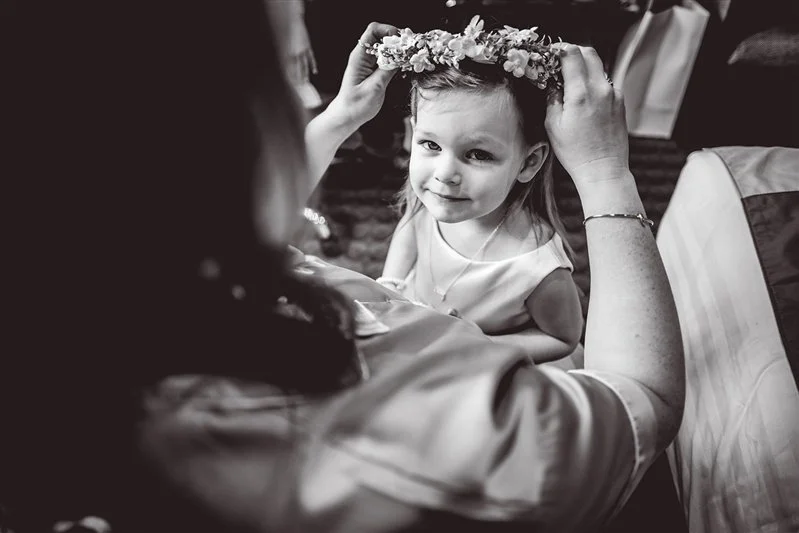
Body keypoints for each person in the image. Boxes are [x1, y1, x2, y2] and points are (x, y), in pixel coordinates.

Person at [1, 2, 684, 532]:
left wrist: (336, 118)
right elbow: (644, 402)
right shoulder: (422, 432)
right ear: (212, 122)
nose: (304, 103)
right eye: (291, 70)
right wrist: (605, 175)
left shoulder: (104, 282)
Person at [375, 17, 584, 364]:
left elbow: (562, 338)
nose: (445, 175)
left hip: (482, 360)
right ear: (412, 134)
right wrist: (391, 287)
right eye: (430, 144)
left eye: (477, 154)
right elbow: (410, 229)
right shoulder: (435, 201)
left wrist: (475, 346)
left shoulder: (535, 265)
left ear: (528, 163)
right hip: (418, 333)